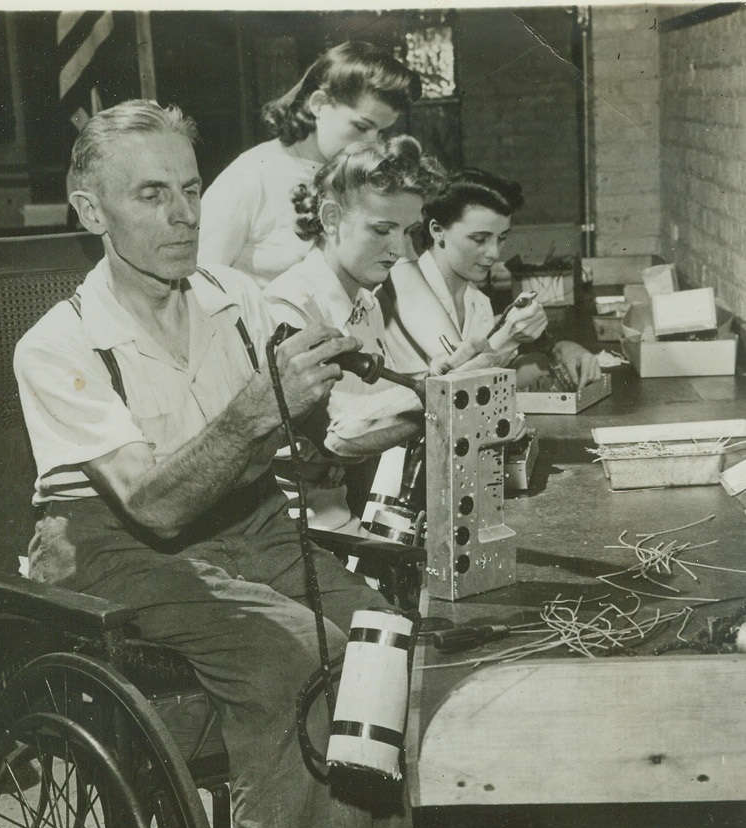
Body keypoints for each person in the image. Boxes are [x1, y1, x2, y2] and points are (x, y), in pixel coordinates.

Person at [14, 99, 424, 828]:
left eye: (190, 188)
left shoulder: (237, 296)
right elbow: (154, 500)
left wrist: (363, 366)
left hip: (240, 521)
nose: (180, 213)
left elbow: (337, 370)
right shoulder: (60, 342)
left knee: (380, 636)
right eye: (148, 193)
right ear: (88, 208)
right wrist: (260, 405)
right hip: (116, 548)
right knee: (283, 658)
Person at [199, 39, 462, 364]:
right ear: (319, 104)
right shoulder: (250, 177)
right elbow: (199, 292)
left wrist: (456, 361)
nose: (372, 143)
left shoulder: (366, 177)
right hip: (265, 367)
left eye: (381, 132)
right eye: (362, 126)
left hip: (344, 362)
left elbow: (408, 286)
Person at [263, 135, 444, 533]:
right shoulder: (288, 307)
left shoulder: (368, 304)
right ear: (330, 220)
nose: (399, 249)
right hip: (297, 526)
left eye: (408, 231)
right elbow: (337, 437)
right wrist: (443, 398)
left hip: (344, 508)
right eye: (382, 230)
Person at [381, 167, 603, 391]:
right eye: (479, 239)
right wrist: (508, 338)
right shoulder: (400, 293)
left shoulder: (478, 302)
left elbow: (496, 377)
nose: (494, 253)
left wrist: (564, 352)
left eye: (501, 238)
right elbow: (451, 389)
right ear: (438, 230)